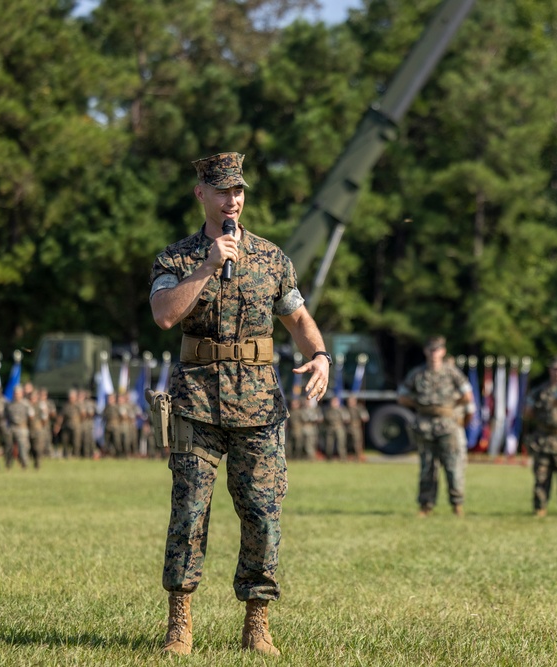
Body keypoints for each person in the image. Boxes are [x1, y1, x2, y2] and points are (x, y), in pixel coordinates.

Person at [149, 151, 330, 657]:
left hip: (258, 409)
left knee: (264, 515)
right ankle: (180, 622)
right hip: (196, 405)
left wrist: (319, 355)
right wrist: (208, 266)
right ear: (201, 194)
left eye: (239, 191)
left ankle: (257, 622)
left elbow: (296, 318)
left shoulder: (272, 259)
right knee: (189, 515)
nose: (233, 200)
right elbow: (164, 315)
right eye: (224, 191)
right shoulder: (177, 258)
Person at [397, 335, 474, 517]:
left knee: (453, 466)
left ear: (443, 351)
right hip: (425, 425)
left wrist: (449, 406)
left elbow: (468, 395)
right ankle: (426, 505)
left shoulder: (452, 373)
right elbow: (402, 397)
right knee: (428, 468)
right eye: (431, 350)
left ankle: (457, 505)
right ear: (425, 351)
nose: (434, 353)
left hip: (448, 425)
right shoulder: (418, 374)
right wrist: (421, 405)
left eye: (437, 349)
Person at [522, 354, 557, 519]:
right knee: (541, 476)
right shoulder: (539, 391)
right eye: (555, 369)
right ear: (550, 370)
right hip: (544, 439)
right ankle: (540, 508)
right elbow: (527, 412)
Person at [345, 394, 369, 462]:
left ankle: (358, 456)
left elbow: (365, 417)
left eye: (352, 401)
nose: (350, 402)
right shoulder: (346, 409)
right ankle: (348, 456)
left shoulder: (359, 408)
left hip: (356, 427)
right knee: (347, 443)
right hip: (348, 427)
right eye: (349, 401)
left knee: (357, 442)